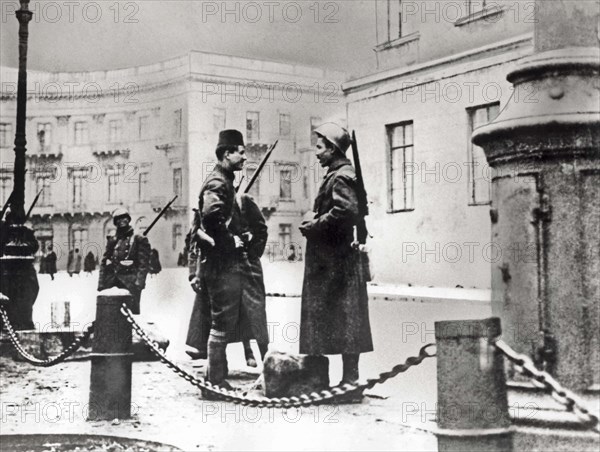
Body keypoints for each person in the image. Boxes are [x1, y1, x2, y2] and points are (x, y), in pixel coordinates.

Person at [299, 122, 373, 387]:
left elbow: (346, 212)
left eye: (320, 147)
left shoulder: (341, 176)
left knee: (344, 317)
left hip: (335, 263)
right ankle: (336, 381)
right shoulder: (338, 173)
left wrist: (313, 226)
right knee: (340, 318)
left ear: (332, 148)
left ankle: (348, 381)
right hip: (332, 262)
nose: (316, 153)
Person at [195, 129, 251, 389]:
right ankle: (215, 382)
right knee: (221, 319)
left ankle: (215, 377)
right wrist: (231, 241)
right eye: (240, 151)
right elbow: (211, 217)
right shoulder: (218, 182)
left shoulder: (224, 179)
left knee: (222, 319)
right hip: (219, 264)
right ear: (227, 154)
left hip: (219, 262)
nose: (244, 157)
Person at [97, 208, 151, 315]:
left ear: (128, 220)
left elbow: (143, 264)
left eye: (124, 218)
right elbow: (104, 263)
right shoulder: (112, 240)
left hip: (130, 283)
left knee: (131, 316)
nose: (121, 221)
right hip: (112, 284)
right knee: (111, 316)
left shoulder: (138, 239)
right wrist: (101, 284)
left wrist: (139, 284)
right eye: (118, 219)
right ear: (115, 222)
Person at [0, 207, 39, 330]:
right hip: (7, 270)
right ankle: (13, 322)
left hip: (25, 270)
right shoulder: (3, 231)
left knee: (29, 293)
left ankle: (23, 321)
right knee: (11, 296)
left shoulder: (26, 232)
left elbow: (34, 246)